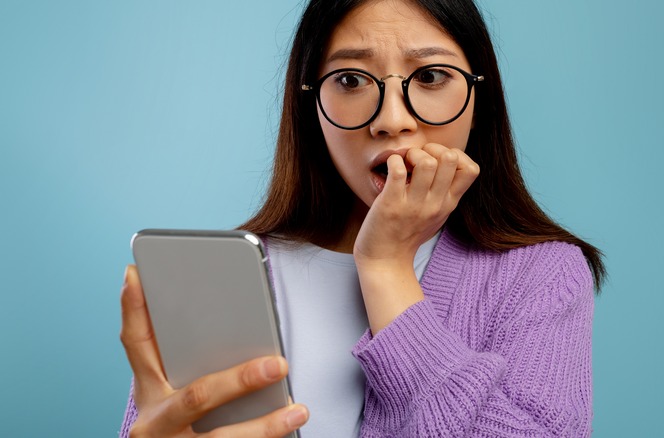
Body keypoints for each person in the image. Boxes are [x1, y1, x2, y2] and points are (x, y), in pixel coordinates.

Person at [119, 0, 606, 436]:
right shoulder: (219, 279)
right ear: (313, 105)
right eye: (350, 80)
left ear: (479, 98)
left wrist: (387, 267)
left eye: (431, 76)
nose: (392, 119)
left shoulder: (543, 275)